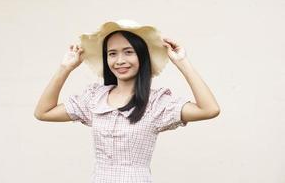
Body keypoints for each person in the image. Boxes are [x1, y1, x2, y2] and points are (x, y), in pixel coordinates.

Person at [34, 19, 220, 183]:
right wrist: (65, 68)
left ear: (142, 56)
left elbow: (209, 109)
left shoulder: (156, 103)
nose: (120, 60)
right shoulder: (94, 98)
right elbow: (43, 112)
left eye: (128, 52)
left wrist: (182, 62)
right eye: (112, 53)